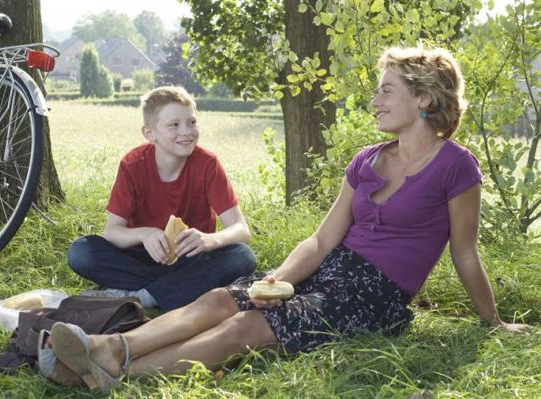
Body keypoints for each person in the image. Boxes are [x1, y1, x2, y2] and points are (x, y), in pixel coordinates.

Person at [44, 47, 531, 389]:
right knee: (222, 298)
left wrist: (493, 321)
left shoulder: (456, 166)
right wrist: (277, 278)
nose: (375, 100)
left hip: (375, 294)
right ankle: (108, 345)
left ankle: (116, 368)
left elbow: (465, 253)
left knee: (244, 329)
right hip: (328, 269)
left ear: (424, 98)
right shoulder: (366, 160)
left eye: (387, 91)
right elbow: (321, 242)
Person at [66, 86, 256, 311]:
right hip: (141, 257)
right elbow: (113, 232)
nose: (186, 131)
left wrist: (209, 239)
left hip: (191, 257)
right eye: (174, 125)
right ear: (150, 133)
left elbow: (241, 230)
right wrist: (145, 234)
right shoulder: (132, 165)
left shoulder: (208, 164)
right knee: (81, 251)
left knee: (242, 257)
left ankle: (140, 297)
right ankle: (175, 290)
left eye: (192, 122)